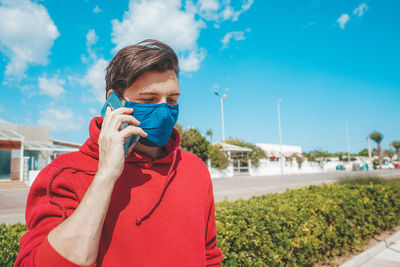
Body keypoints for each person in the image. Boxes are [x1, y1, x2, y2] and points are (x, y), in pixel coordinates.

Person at [15, 40, 223, 266]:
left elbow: (209, 254)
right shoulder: (63, 174)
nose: (164, 112)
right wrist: (106, 175)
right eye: (149, 100)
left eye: (172, 100)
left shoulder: (194, 168)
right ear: (113, 102)